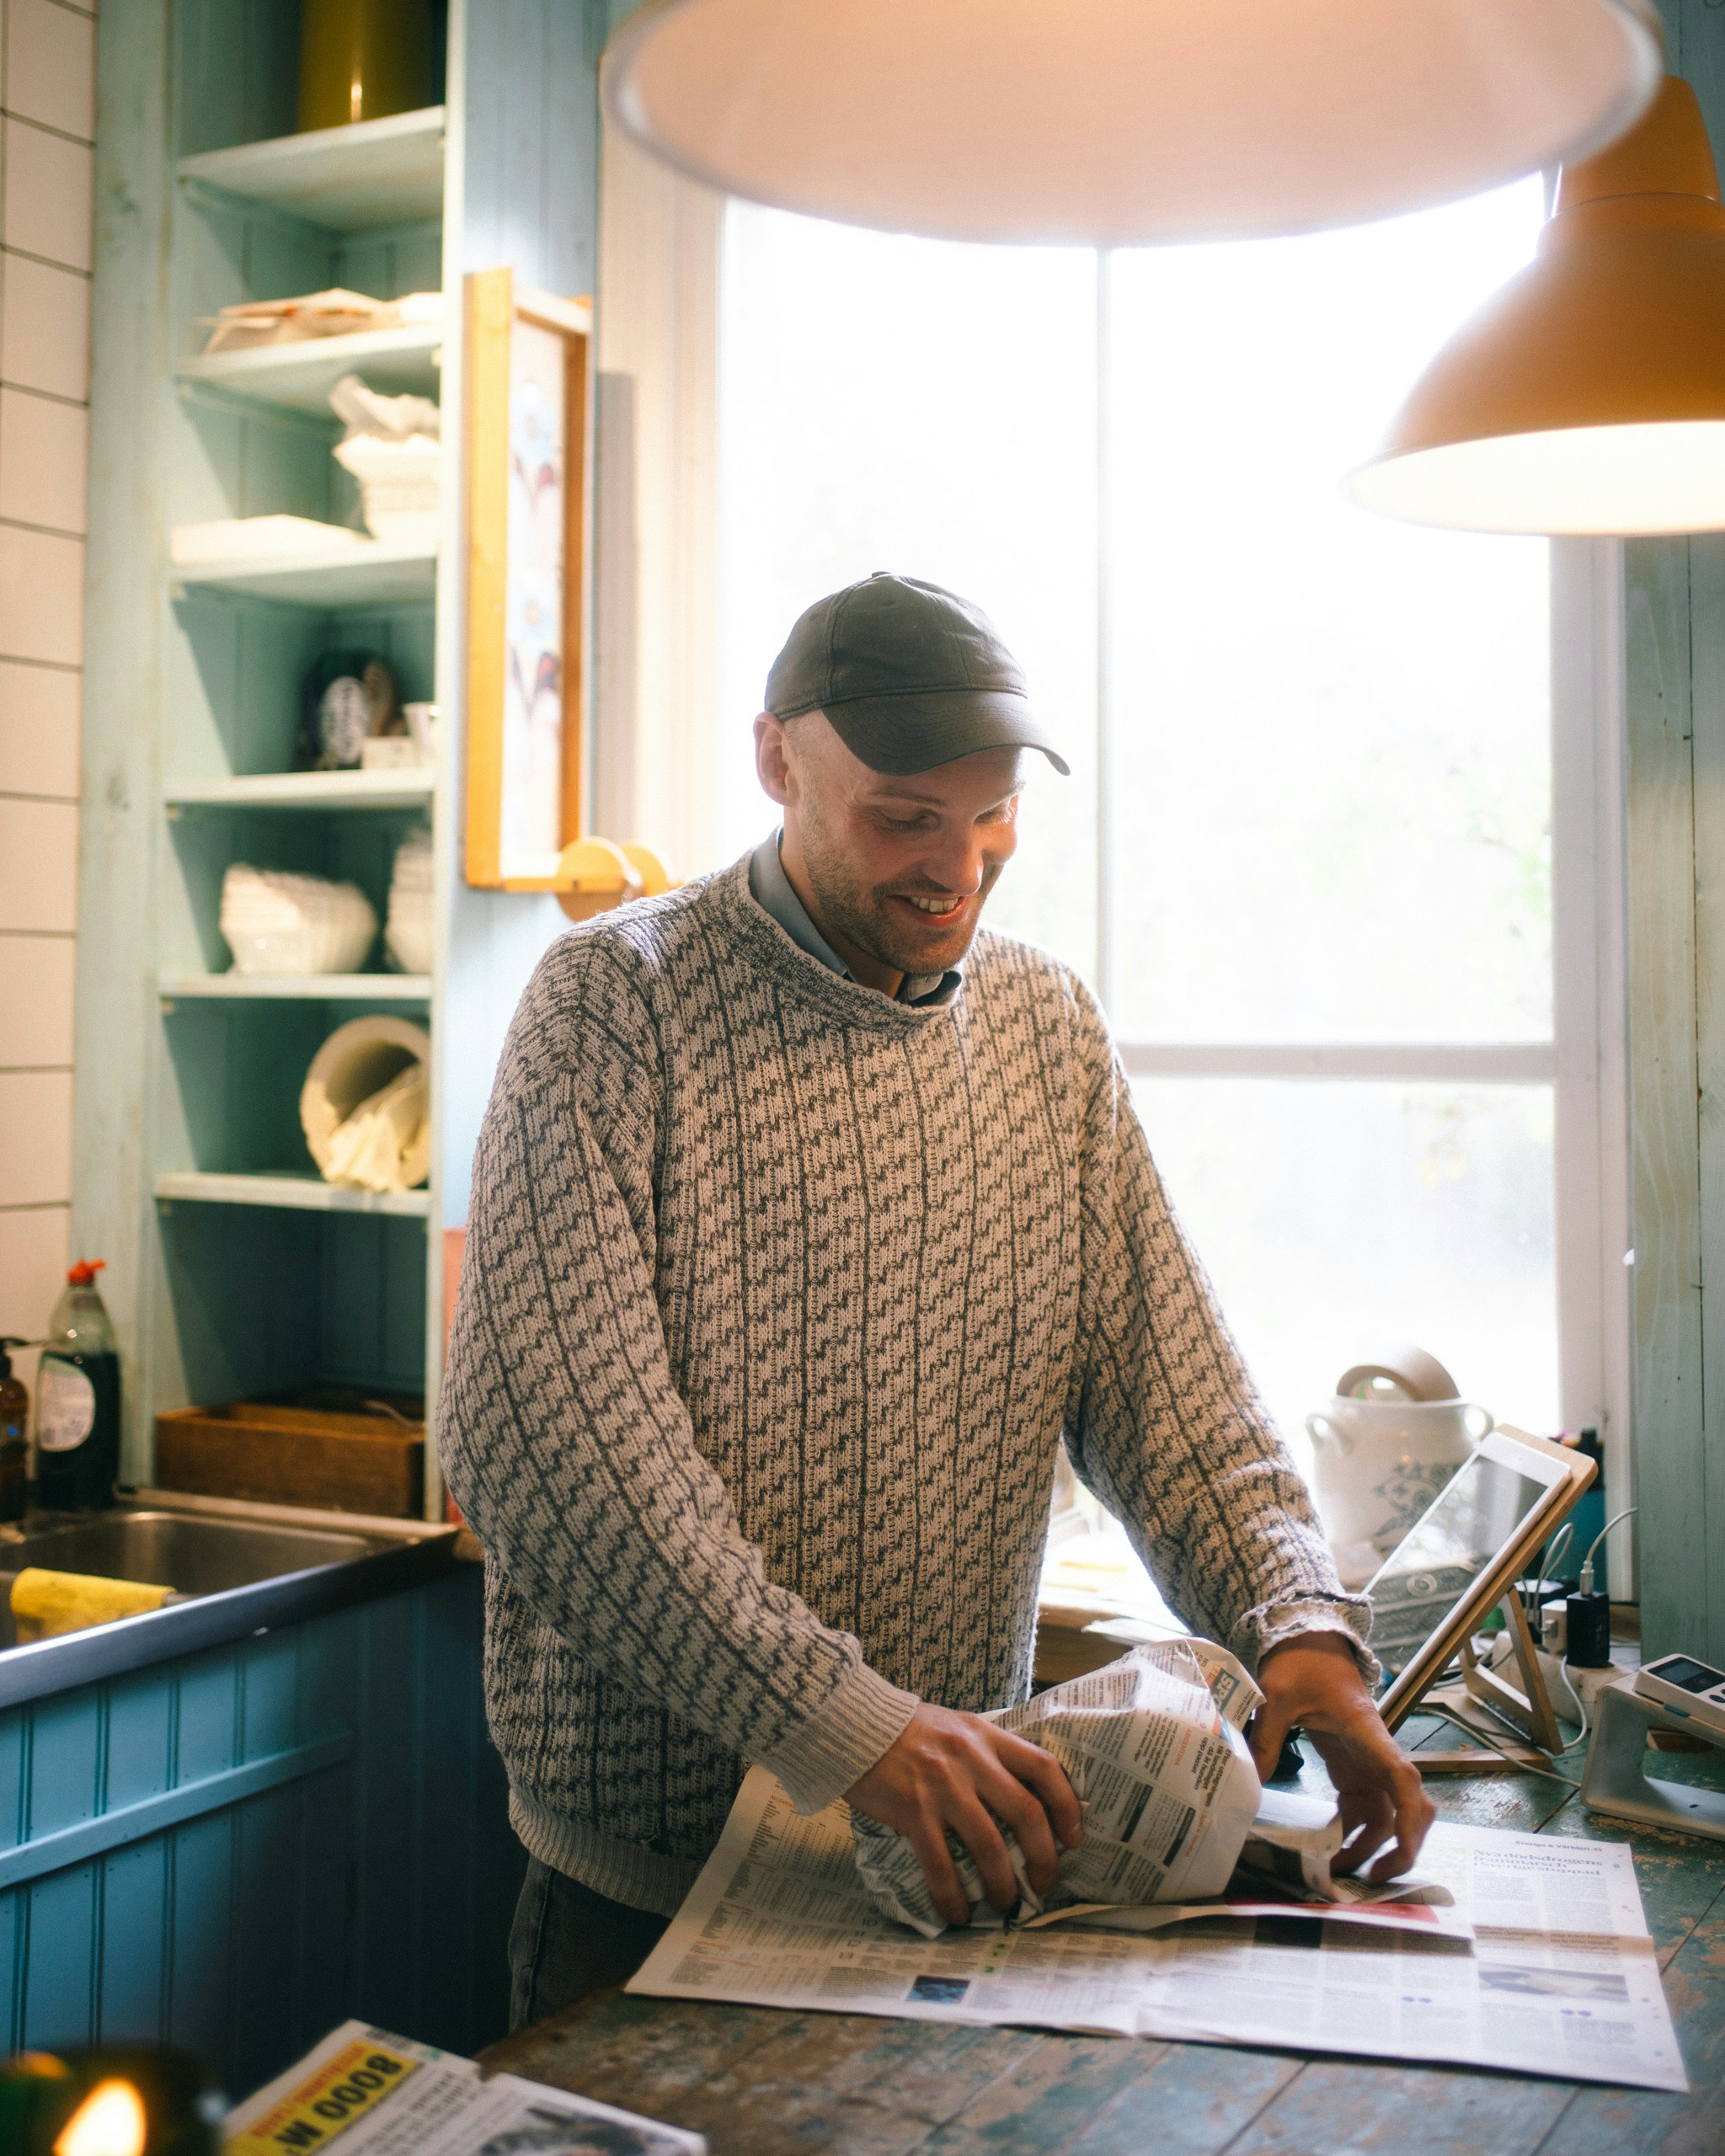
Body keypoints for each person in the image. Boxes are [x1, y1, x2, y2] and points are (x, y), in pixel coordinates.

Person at [440, 571, 1434, 2031]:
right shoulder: (614, 1003)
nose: (958, 867)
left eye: (994, 816)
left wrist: (1301, 1630)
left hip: (956, 1876)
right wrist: (846, 1728)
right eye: (906, 816)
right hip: (650, 1900)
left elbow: (1173, 1393)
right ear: (776, 760)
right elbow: (553, 1451)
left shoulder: (1047, 1027)